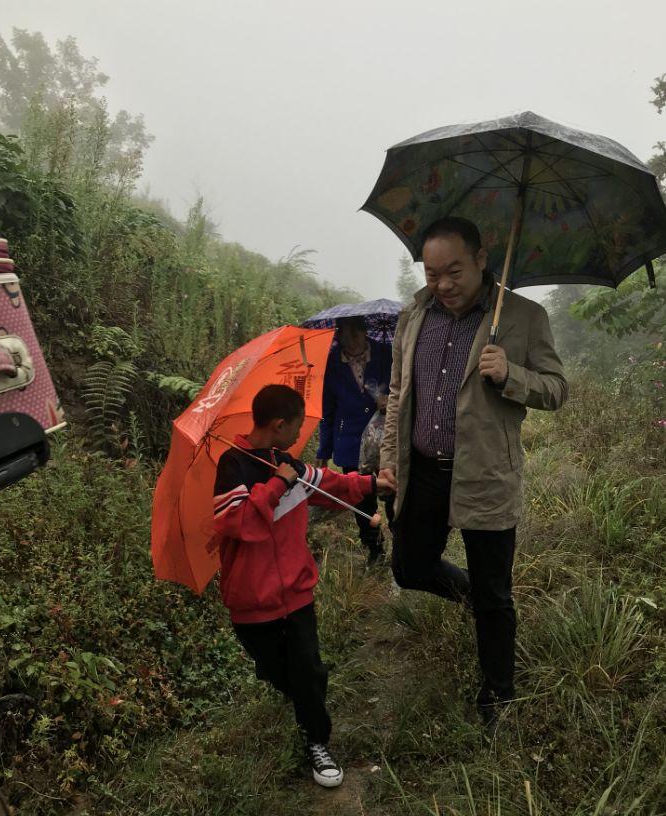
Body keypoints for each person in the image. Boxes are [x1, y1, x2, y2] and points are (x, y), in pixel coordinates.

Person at [378, 217, 567, 726]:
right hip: (423, 471)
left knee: (495, 593)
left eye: (454, 271)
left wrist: (511, 375)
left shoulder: (524, 317)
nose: (442, 285)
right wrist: (389, 459)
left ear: (483, 258)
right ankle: (467, 596)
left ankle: (498, 693)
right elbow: (399, 393)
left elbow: (556, 389)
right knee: (409, 568)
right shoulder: (415, 314)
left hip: (485, 472)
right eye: (432, 273)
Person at [213, 384, 387, 787]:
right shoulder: (231, 467)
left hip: (296, 594)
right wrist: (276, 485)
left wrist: (374, 484)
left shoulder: (285, 461)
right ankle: (302, 696)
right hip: (251, 603)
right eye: (295, 426)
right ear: (278, 424)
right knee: (277, 671)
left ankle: (317, 740)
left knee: (308, 669)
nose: (298, 435)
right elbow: (239, 524)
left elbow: (329, 485)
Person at [316, 316, 393, 563]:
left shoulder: (385, 354)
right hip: (349, 443)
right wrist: (323, 451)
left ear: (364, 332)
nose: (350, 344)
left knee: (393, 493)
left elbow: (404, 387)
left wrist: (390, 399)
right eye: (344, 337)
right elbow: (327, 409)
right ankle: (375, 551)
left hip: (385, 440)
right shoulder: (332, 362)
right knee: (361, 501)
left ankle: (402, 548)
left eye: (355, 336)